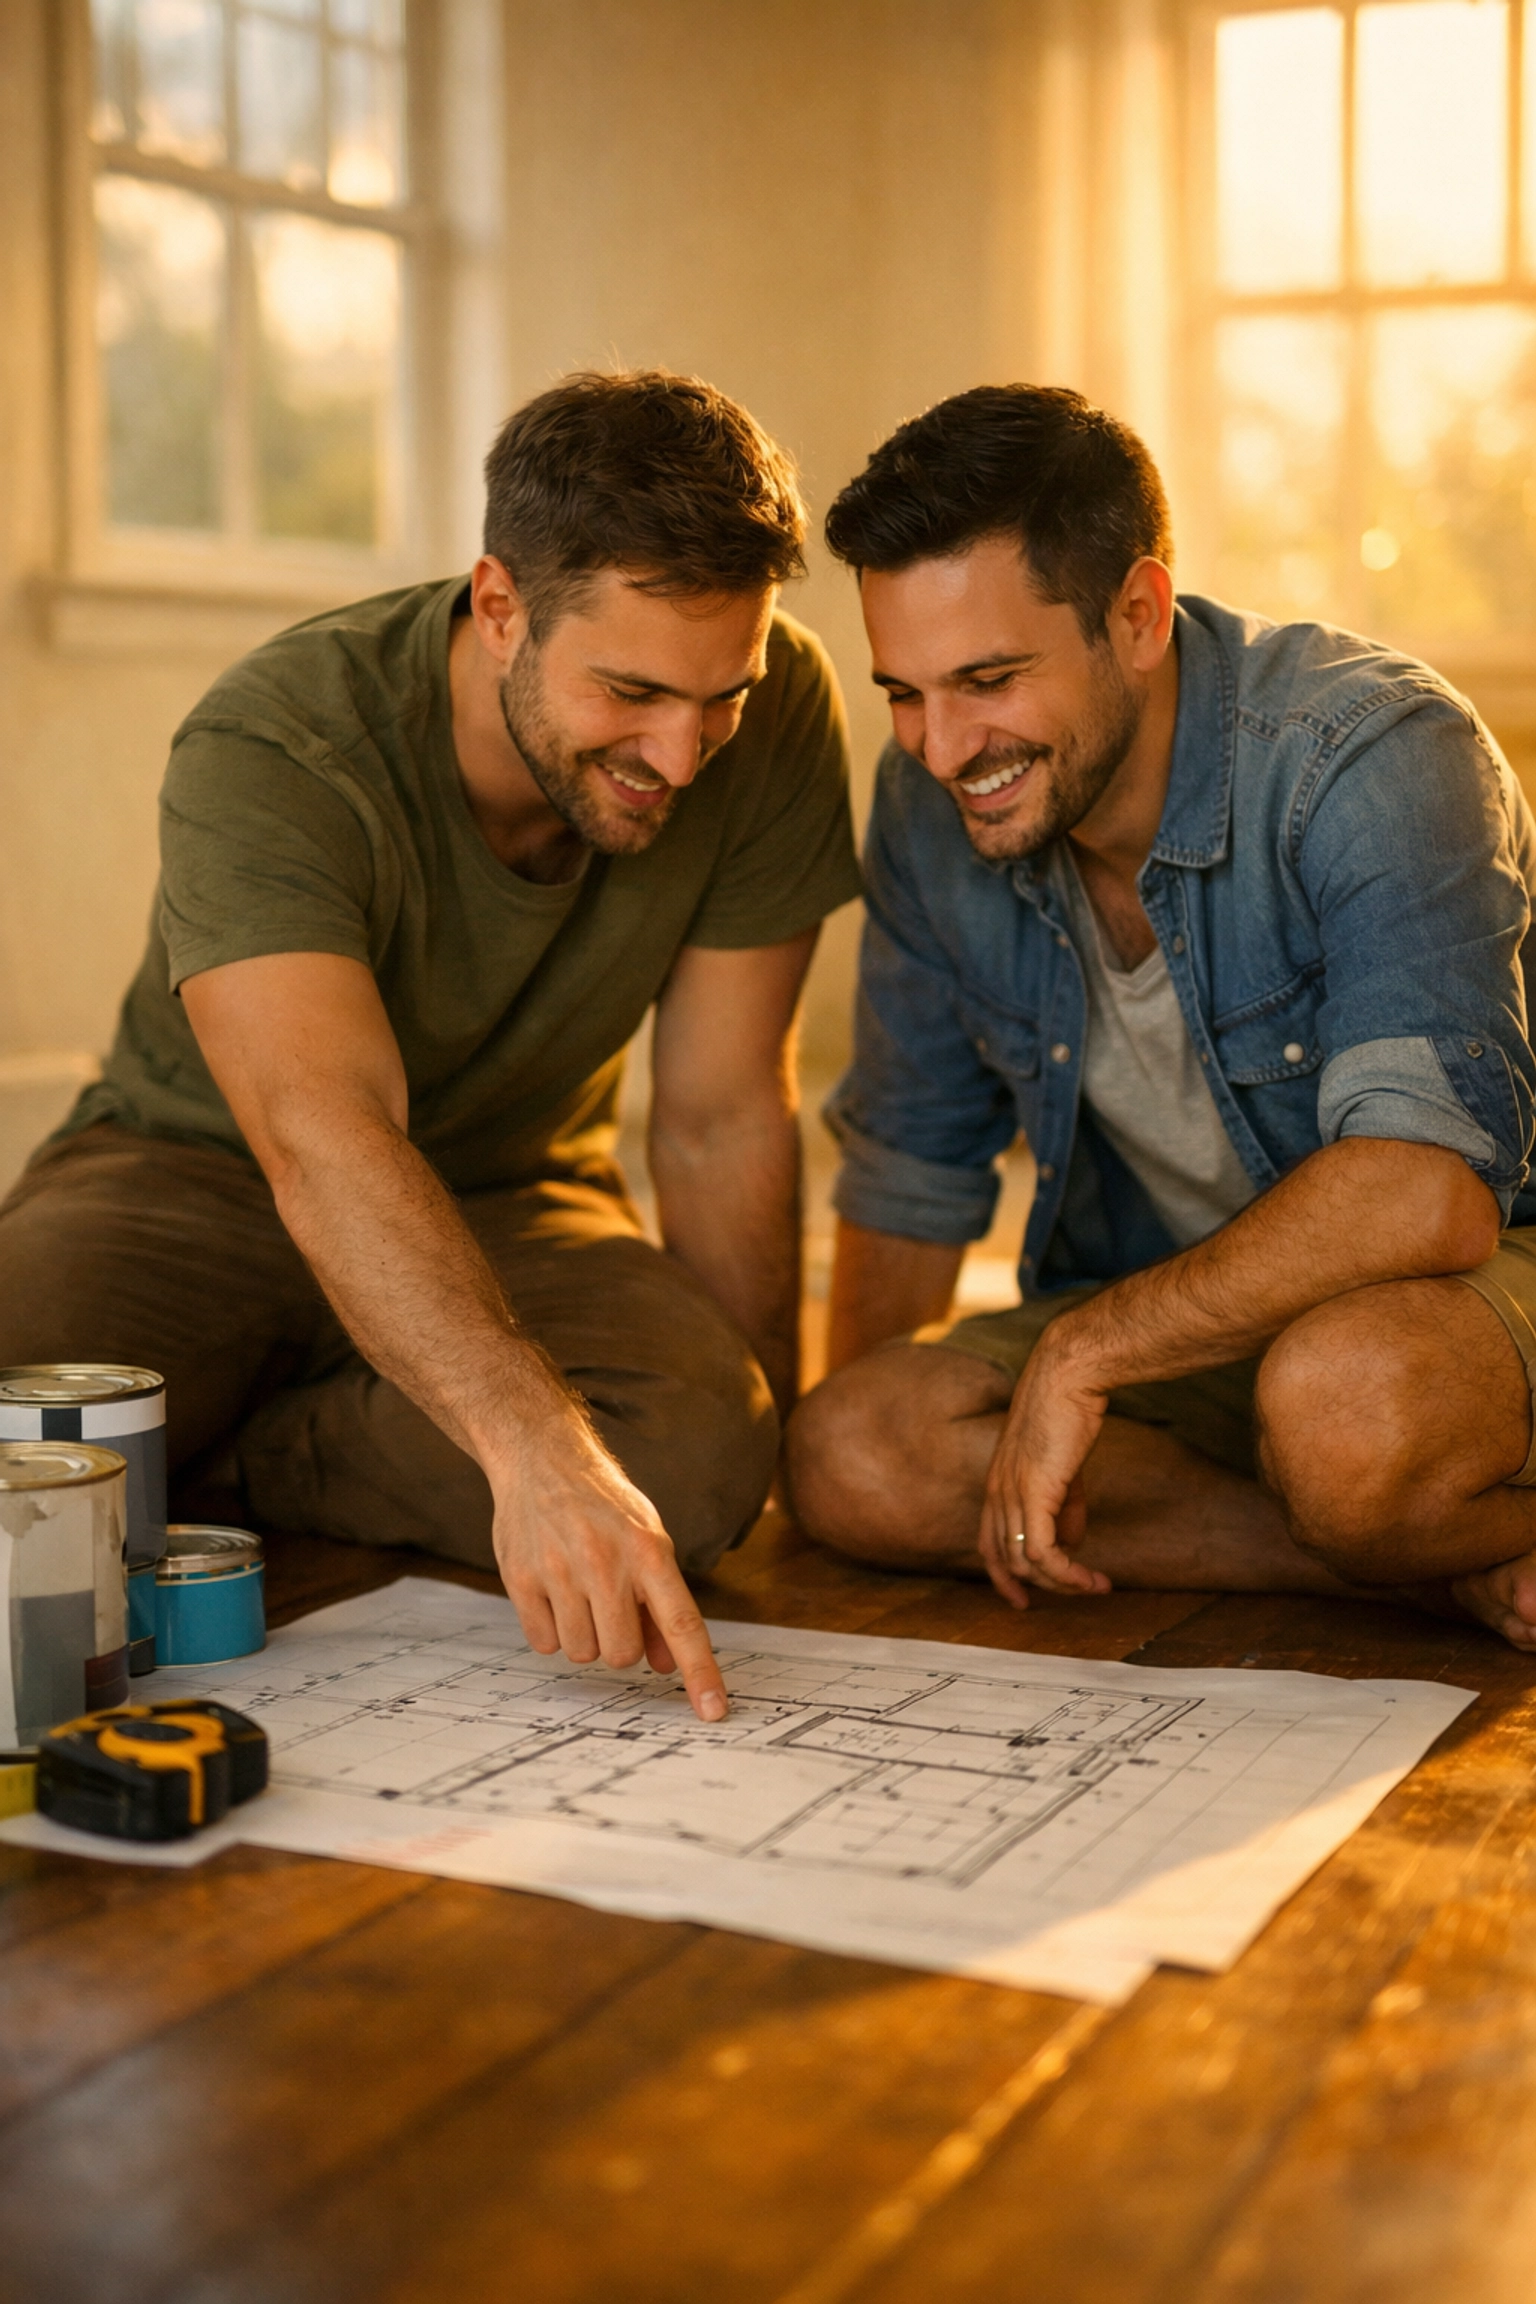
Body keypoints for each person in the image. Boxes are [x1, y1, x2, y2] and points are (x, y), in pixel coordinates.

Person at [0, 369, 861, 1720]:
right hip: (194, 1171)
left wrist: (771, 1462)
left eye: (721, 699)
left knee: (695, 1462)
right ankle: (351, 1401)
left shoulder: (779, 708)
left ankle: (238, 1447)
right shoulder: (277, 735)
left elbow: (718, 1113)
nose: (684, 756)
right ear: (500, 606)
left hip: (518, 1196)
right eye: (631, 691)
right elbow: (321, 1132)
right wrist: (528, 1443)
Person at [785, 381, 1536, 1652]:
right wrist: (857, 1492)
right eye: (905, 691)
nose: (940, 745)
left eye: (987, 679)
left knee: (1343, 1413)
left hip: (1458, 1292)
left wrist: (1085, 1354)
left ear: (1136, 613)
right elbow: (911, 1167)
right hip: (1184, 1325)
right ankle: (1414, 1559)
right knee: (850, 1453)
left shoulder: (1371, 751)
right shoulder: (929, 809)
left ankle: (1380, 1499)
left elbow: (1428, 1193)